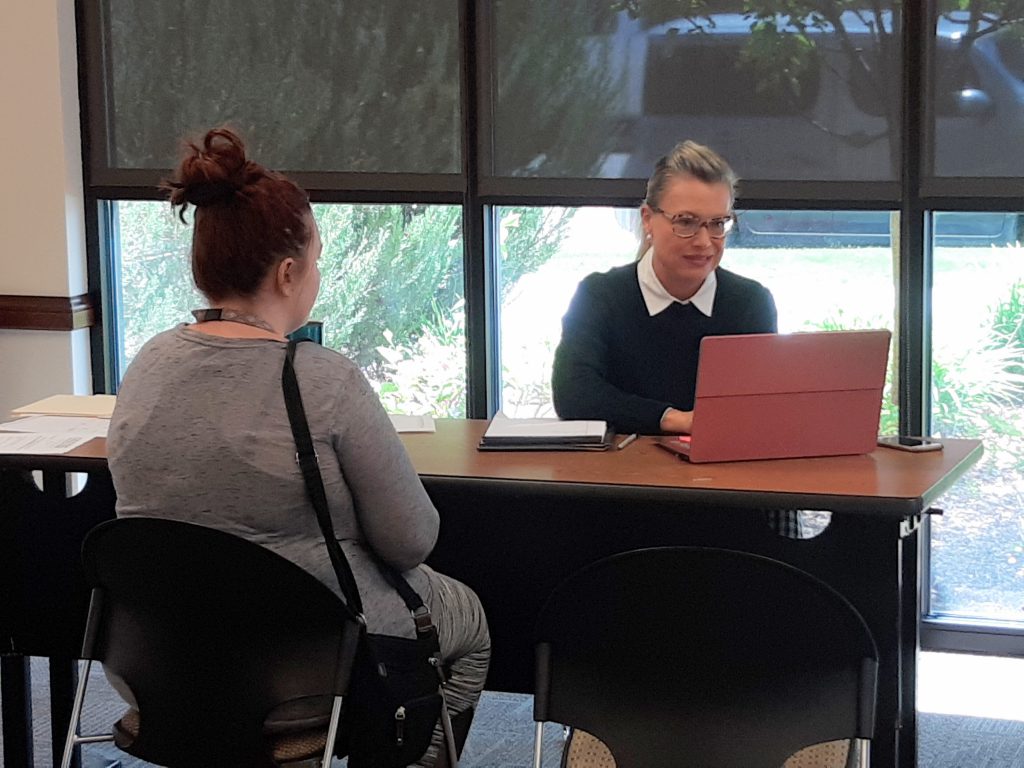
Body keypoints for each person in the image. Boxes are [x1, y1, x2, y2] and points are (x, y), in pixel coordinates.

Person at [107, 127, 489, 767]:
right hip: (307, 662)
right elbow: (411, 541)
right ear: (288, 273)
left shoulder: (146, 363)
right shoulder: (322, 379)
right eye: (316, 257)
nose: (318, 272)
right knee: (468, 621)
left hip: (163, 658)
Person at [552, 139, 777, 436]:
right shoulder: (600, 296)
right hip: (618, 473)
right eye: (686, 222)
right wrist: (673, 419)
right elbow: (574, 395)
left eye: (717, 224)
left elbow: (760, 405)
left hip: (717, 472)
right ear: (648, 220)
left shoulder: (749, 302)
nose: (703, 241)